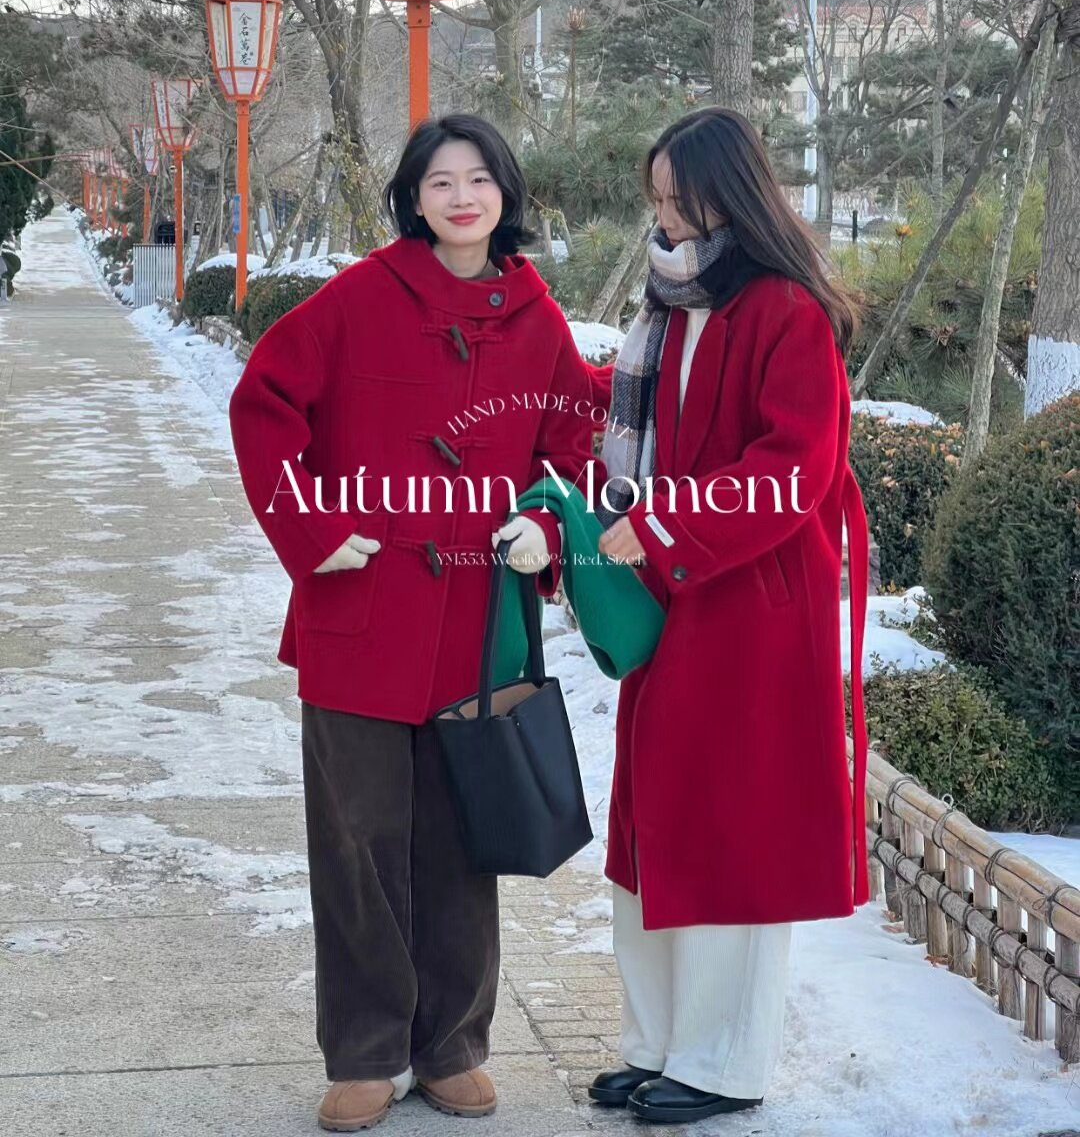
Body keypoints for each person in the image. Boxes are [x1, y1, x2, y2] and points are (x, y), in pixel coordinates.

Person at [229, 114, 597, 1133]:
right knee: (357, 842)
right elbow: (264, 404)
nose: (461, 197)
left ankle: (452, 1046)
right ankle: (365, 1051)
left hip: (478, 620)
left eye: (479, 179)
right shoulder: (359, 298)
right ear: (413, 198)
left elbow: (573, 447)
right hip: (360, 608)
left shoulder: (538, 320)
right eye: (440, 181)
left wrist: (544, 526)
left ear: (506, 193)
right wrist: (313, 530)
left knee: (461, 842)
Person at [585, 107, 870, 1124]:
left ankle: (724, 1063)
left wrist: (662, 524)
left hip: (752, 604)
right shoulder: (668, 305)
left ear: (731, 195)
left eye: (683, 200)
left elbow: (795, 467)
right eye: (658, 197)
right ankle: (658, 1043)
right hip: (672, 594)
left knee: (731, 831)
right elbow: (633, 418)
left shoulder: (785, 310)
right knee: (653, 821)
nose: (665, 218)